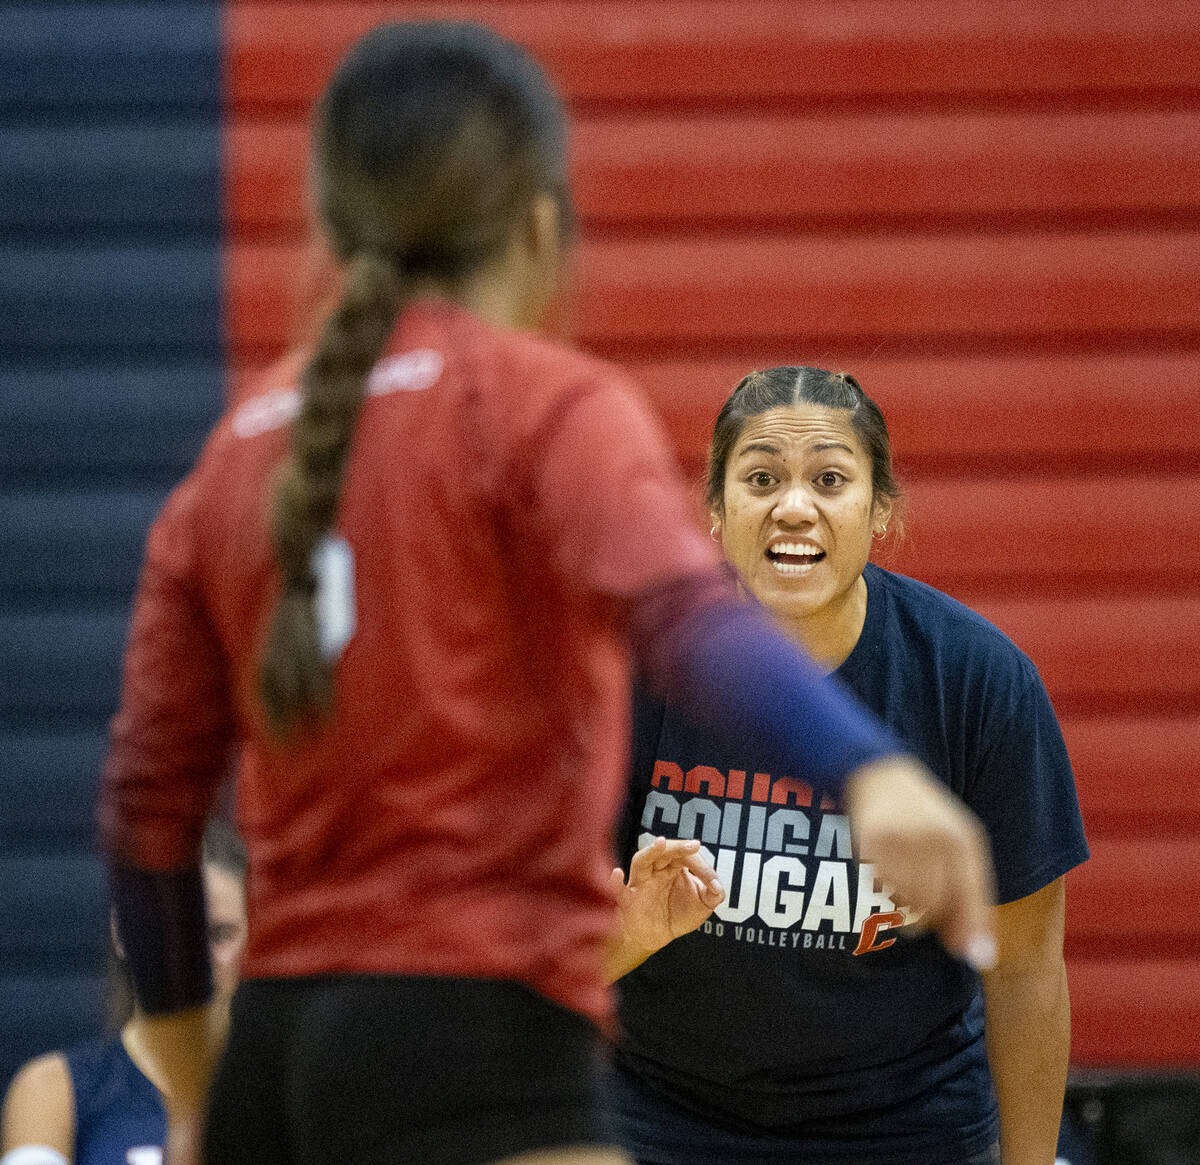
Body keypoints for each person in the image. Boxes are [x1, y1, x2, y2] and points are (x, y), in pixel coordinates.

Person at [96, 25, 997, 1165]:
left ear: (330, 228)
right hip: (477, 1033)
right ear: (539, 222)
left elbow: (144, 809)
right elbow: (684, 617)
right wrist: (866, 766)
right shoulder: (540, 406)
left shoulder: (231, 455)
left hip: (276, 1056)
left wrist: (192, 1089)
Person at [606, 365, 1090, 1165]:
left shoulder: (976, 679)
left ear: (881, 512)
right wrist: (630, 937)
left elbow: (1027, 965)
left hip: (910, 1124)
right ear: (717, 514)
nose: (794, 505)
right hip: (664, 1116)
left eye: (830, 478)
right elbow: (541, 962)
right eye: (761, 477)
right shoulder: (631, 672)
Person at [1, 824, 247, 1165]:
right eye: (172, 933)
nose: (194, 960)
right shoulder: (54, 1089)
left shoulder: (284, 1097)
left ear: (257, 941)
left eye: (219, 934)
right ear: (124, 933)